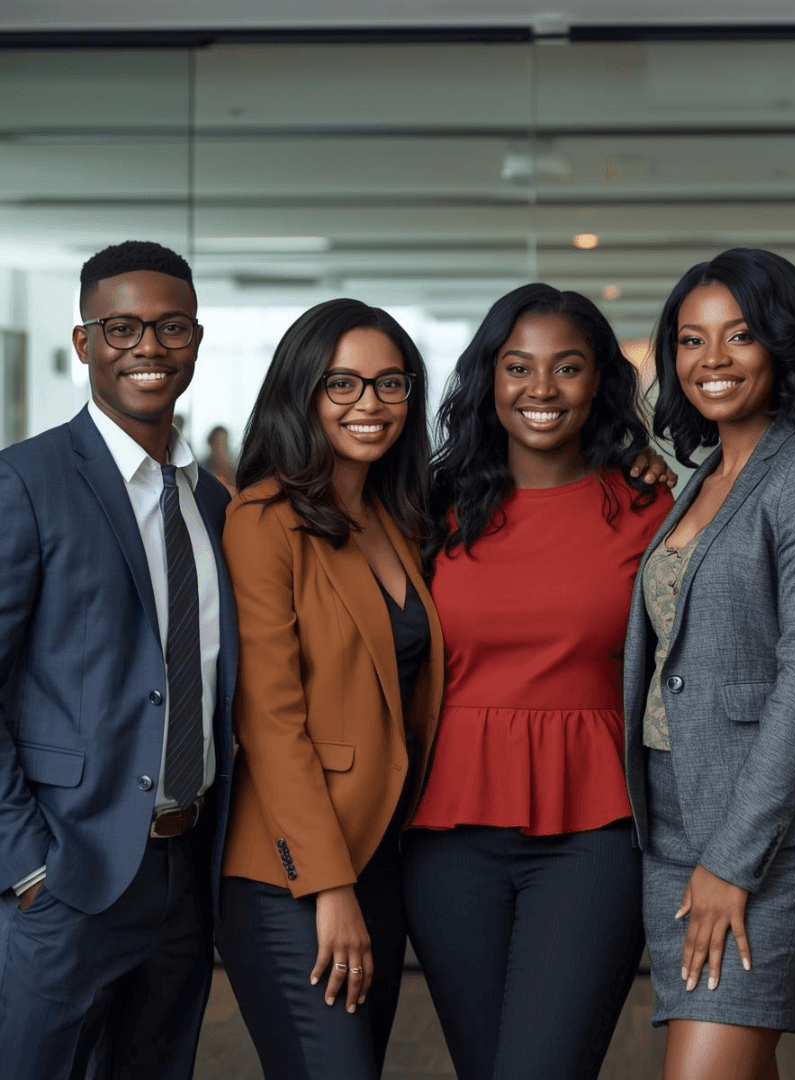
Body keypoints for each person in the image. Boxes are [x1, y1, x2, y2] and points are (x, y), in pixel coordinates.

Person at [400, 283, 673, 1079]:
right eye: (518, 367)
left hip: (595, 834)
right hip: (446, 833)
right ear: (489, 379)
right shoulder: (429, 508)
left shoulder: (651, 509)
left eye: (568, 368)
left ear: (601, 384)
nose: (541, 390)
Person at [623, 248, 795, 1080]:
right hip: (669, 823)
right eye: (691, 340)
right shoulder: (698, 480)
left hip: (758, 835)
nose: (712, 359)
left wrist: (732, 860)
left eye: (740, 335)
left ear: (783, 347)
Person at [0, 240, 237, 1078]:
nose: (148, 346)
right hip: (69, 872)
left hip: (185, 868)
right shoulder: (25, 483)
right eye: (123, 327)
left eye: (170, 326)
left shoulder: (213, 500)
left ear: (196, 340)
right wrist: (26, 863)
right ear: (84, 342)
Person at [214, 298, 444, 1080]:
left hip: (381, 855)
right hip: (293, 874)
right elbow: (270, 722)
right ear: (302, 391)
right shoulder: (264, 519)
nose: (369, 404)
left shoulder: (397, 515)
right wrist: (328, 887)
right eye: (342, 384)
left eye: (389, 383)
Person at [201, 424, 237, 491]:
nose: (220, 448)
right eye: (218, 443)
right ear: (211, 444)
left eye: (224, 443)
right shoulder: (204, 468)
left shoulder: (233, 468)